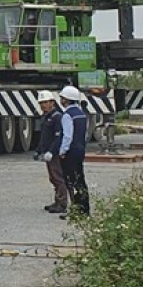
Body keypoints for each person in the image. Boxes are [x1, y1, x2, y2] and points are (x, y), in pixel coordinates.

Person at [57, 85, 90, 216]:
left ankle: (76, 210)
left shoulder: (67, 115)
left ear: (66, 99)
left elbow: (67, 135)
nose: (61, 100)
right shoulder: (81, 114)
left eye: (62, 98)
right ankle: (85, 208)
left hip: (71, 151)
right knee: (80, 180)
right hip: (80, 149)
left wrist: (62, 151)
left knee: (71, 180)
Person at [34, 91, 67, 214]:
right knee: (53, 178)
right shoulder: (46, 117)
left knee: (58, 177)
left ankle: (62, 203)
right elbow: (44, 137)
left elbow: (58, 136)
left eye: (45, 102)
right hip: (47, 152)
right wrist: (38, 151)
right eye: (41, 103)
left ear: (52, 102)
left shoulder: (57, 117)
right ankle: (57, 201)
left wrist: (52, 152)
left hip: (55, 153)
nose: (43, 105)